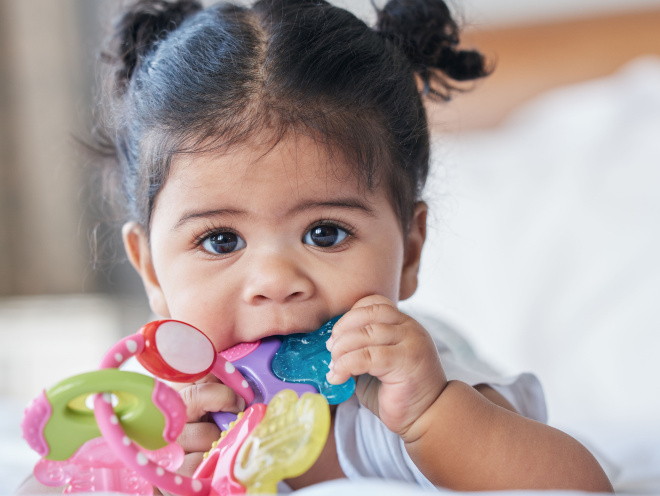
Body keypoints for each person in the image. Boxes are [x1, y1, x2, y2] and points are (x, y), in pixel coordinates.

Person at [19, 0, 613, 493]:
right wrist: (151, 467)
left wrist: (431, 415)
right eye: (220, 240)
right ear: (152, 270)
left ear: (408, 253)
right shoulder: (157, 408)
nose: (276, 280)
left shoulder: (415, 392)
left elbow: (580, 486)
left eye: (325, 233)